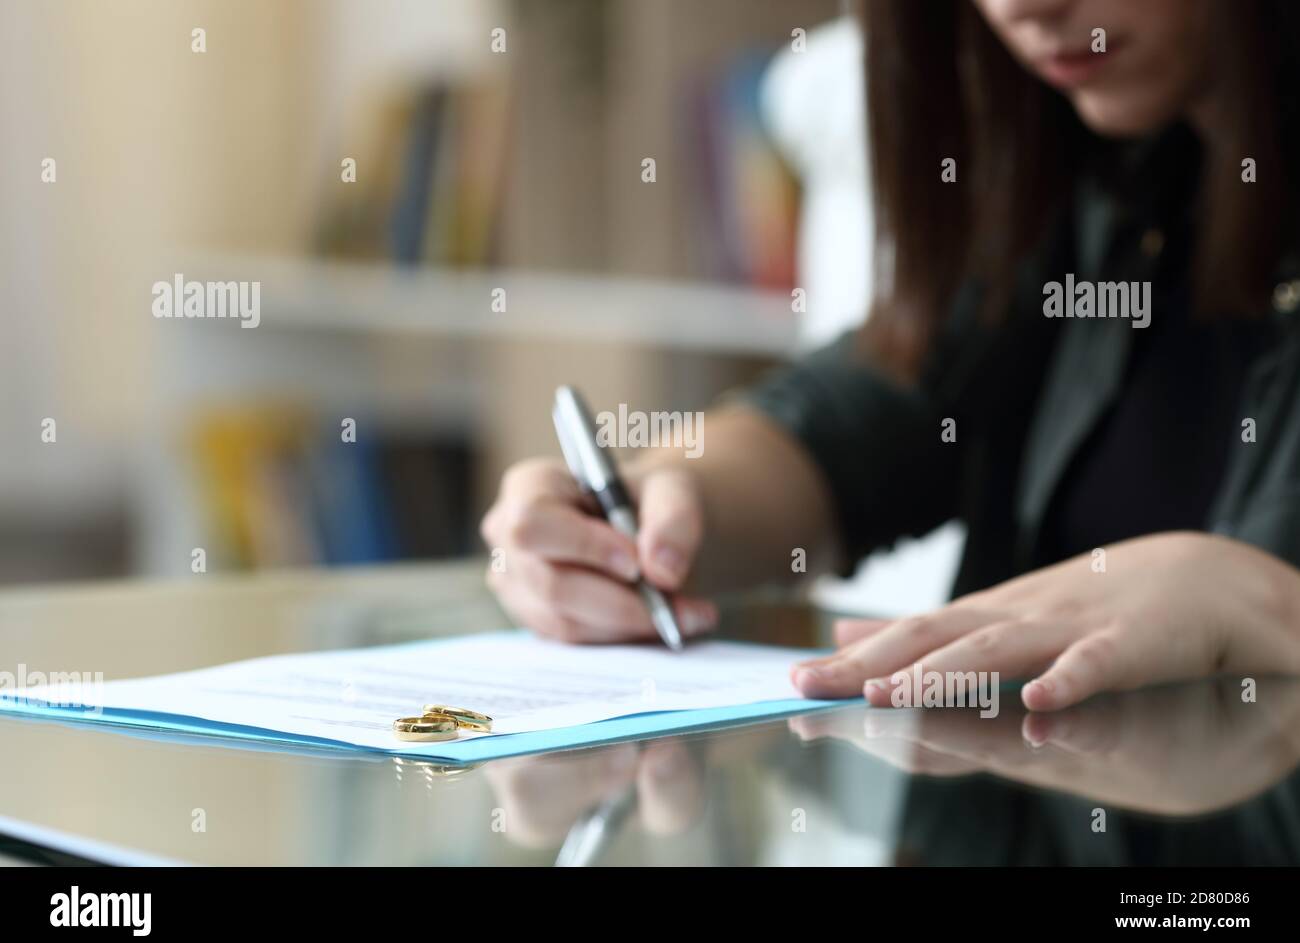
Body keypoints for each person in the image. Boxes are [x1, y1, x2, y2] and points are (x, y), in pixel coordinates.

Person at [480, 0, 1300, 712]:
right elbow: (865, 415)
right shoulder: (1098, 183)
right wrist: (657, 514)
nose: (1023, 7)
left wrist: (1266, 606)